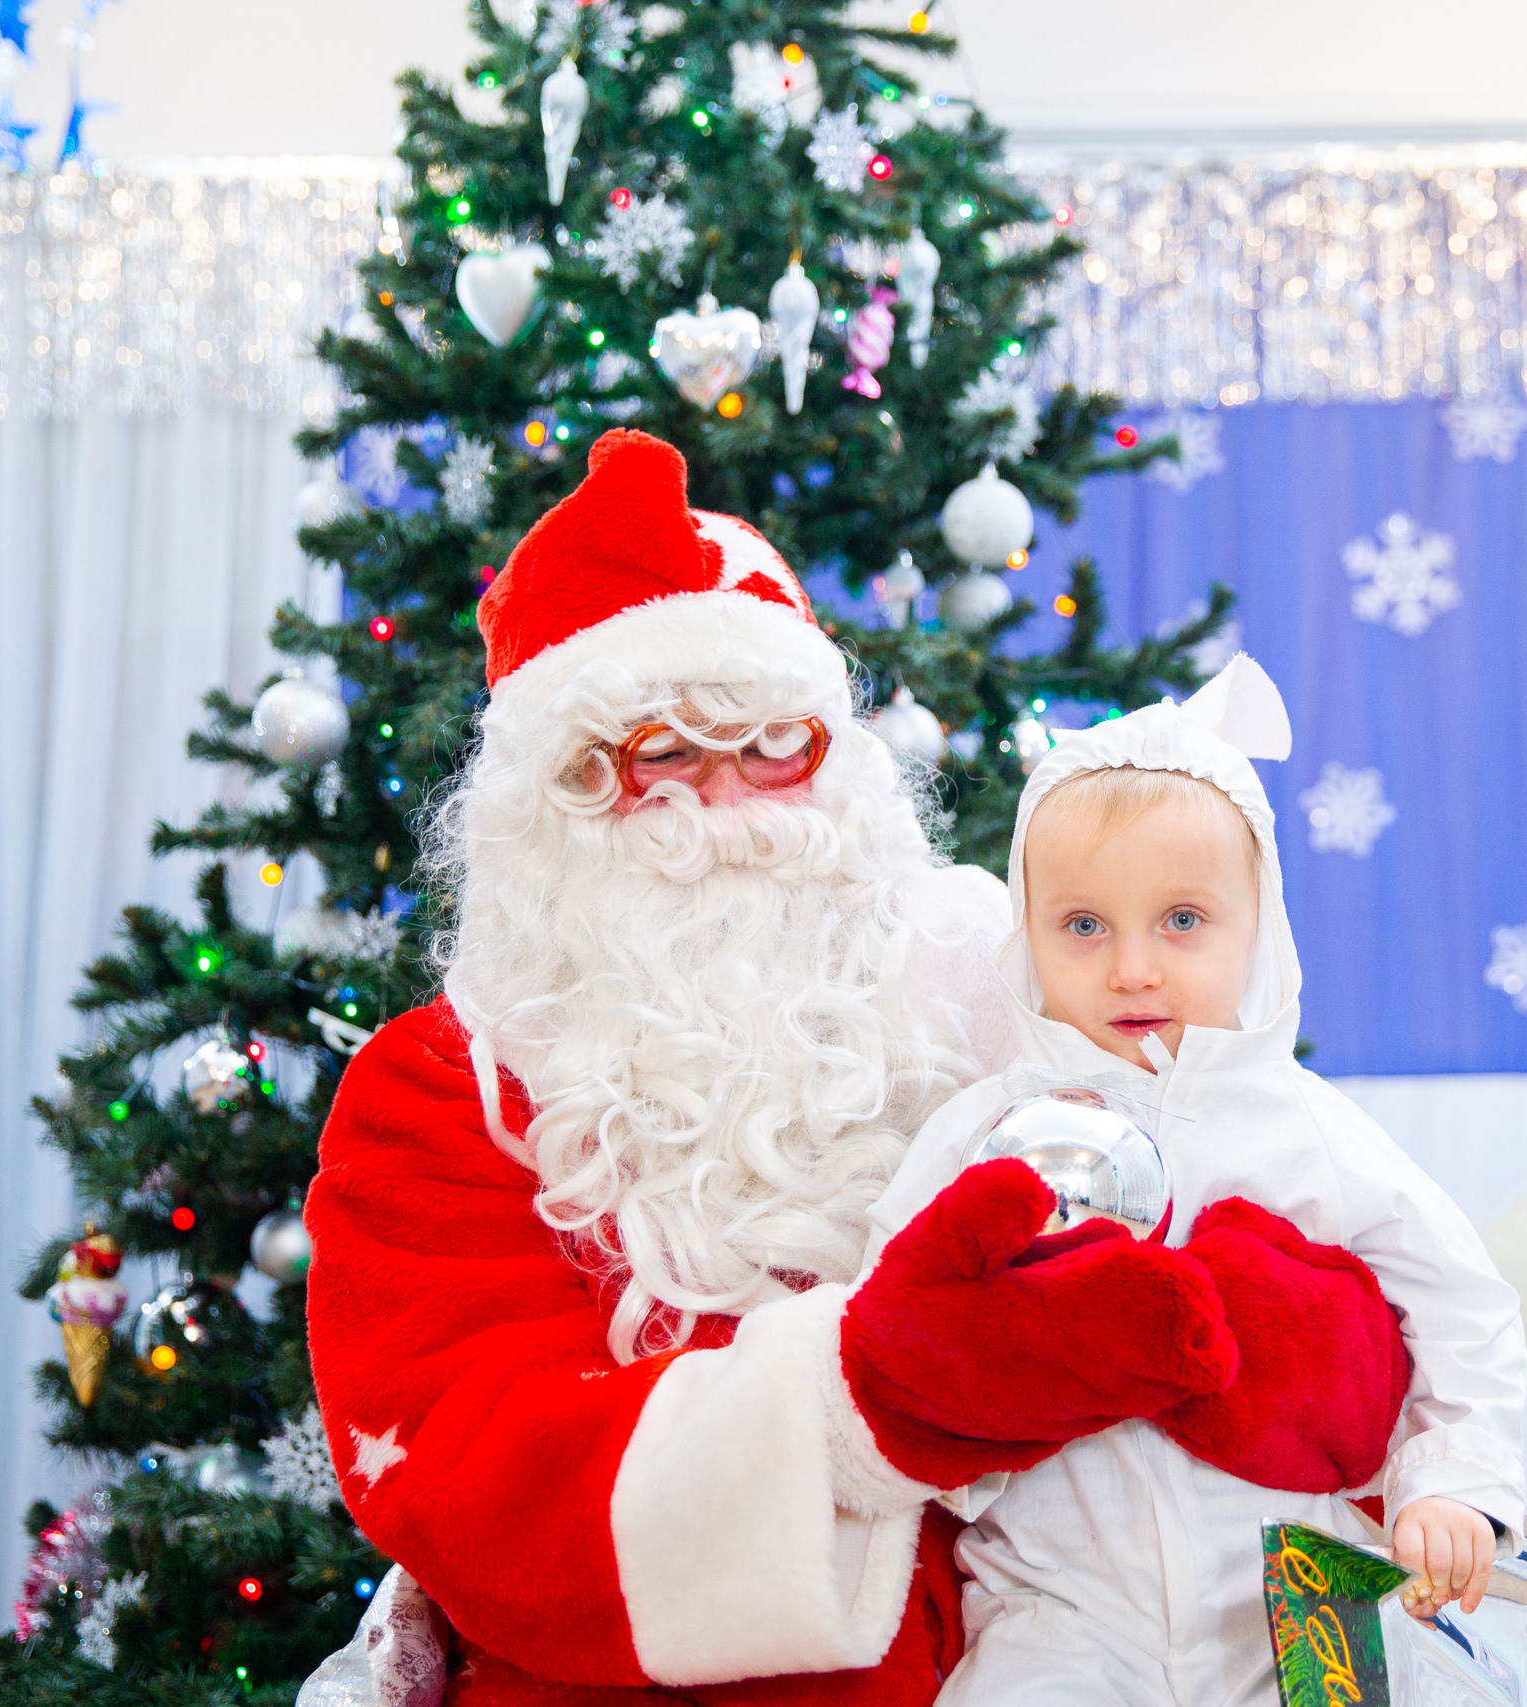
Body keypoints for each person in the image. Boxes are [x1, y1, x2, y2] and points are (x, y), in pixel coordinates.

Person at [301, 429, 1415, 1706]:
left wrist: (1208, 1320)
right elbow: (476, 1487)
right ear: (549, 797)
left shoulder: (996, 984)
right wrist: (870, 1394)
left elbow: (1345, 1322)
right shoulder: (444, 1086)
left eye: (774, 740)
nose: (724, 800)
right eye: (658, 752)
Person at [863, 655, 1527, 1706]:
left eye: (1181, 921)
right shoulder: (985, 1133)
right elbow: (896, 1322)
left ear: (1255, 925)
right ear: (1028, 940)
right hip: (1057, 1601)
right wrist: (982, 1421)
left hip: (1296, 1596)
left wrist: (1450, 1482)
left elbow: (1462, 1306)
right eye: (1084, 927)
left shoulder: (1311, 1130)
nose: (1133, 968)